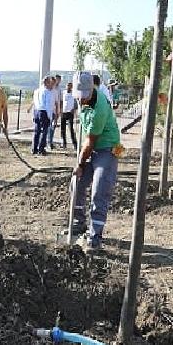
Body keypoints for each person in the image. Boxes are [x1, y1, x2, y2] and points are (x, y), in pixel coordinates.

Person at [72, 71, 120, 249]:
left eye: (85, 95)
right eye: (79, 96)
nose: (82, 100)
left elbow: (91, 141)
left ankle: (95, 237)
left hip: (107, 149)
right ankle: (78, 223)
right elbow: (86, 137)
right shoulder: (80, 100)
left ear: (92, 88)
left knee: (99, 190)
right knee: (76, 183)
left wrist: (80, 164)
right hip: (90, 146)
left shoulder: (99, 107)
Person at [30, 75, 56, 155]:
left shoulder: (36, 91)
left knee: (37, 131)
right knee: (44, 131)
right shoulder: (46, 91)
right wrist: (50, 116)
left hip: (36, 111)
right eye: (50, 82)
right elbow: (48, 105)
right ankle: (41, 149)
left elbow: (34, 102)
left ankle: (34, 148)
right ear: (46, 82)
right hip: (44, 112)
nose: (51, 84)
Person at [60, 81, 78, 150]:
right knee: (63, 129)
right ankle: (64, 143)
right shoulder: (63, 93)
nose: (69, 87)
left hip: (70, 113)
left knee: (71, 129)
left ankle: (75, 144)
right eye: (68, 85)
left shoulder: (74, 94)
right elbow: (61, 101)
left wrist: (74, 109)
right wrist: (60, 110)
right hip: (63, 112)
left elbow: (76, 103)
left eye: (70, 85)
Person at [47, 74, 62, 149]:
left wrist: (59, 111)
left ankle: (50, 141)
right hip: (49, 110)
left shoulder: (58, 89)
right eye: (56, 80)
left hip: (55, 111)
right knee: (48, 127)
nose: (57, 81)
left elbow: (59, 100)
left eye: (59, 80)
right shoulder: (49, 88)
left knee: (53, 126)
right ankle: (47, 142)